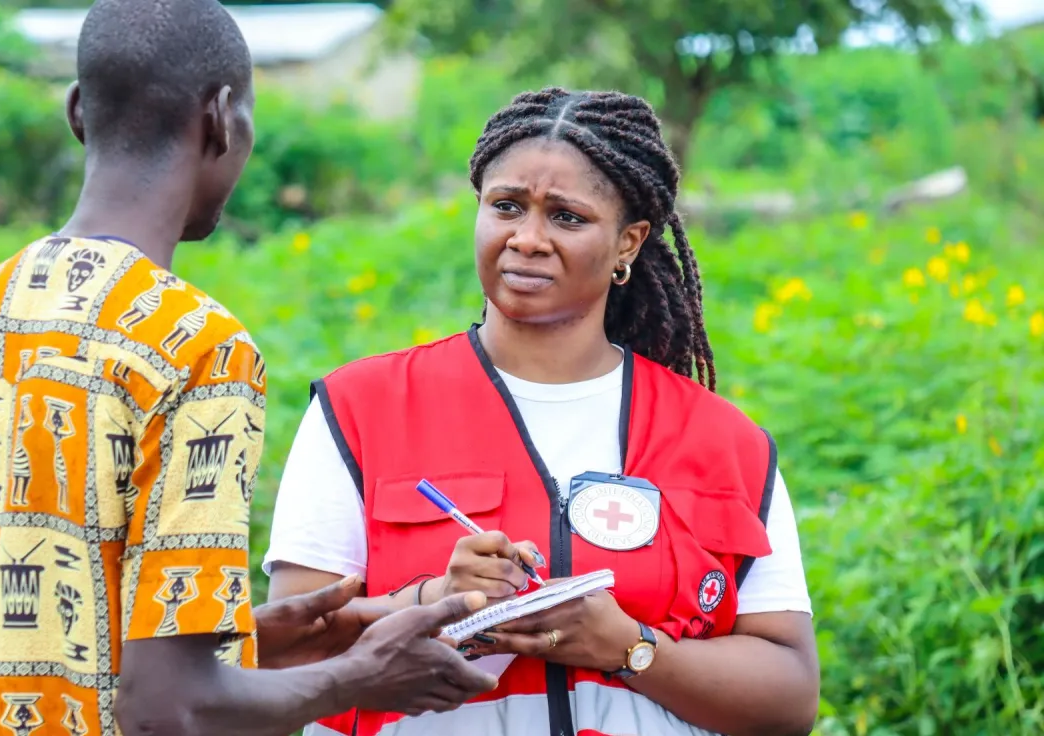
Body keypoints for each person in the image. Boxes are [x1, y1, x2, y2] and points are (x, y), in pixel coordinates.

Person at [0, 1, 499, 734]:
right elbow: (167, 711)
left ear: (79, 112)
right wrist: (358, 676)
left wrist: (245, 637)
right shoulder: (195, 345)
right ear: (220, 118)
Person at [264, 87, 821, 736]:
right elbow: (289, 660)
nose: (527, 239)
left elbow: (789, 700)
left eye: (566, 217)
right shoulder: (359, 410)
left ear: (628, 245)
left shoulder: (726, 443)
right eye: (506, 207)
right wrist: (430, 602)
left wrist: (628, 647)